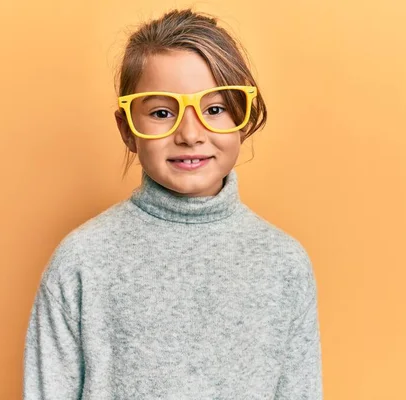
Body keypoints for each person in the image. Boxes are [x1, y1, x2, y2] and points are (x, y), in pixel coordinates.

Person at [23, 8, 322, 399]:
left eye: (214, 109)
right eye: (162, 112)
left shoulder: (285, 263)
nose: (190, 134)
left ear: (242, 120)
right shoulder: (83, 260)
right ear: (127, 129)